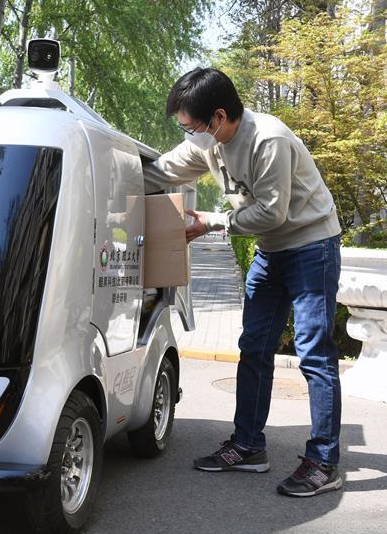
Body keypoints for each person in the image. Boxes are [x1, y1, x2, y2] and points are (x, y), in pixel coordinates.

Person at [143, 67, 343, 497]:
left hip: (312, 246)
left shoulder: (267, 139)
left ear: (218, 116)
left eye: (192, 127)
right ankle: (249, 445)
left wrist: (211, 222)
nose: (189, 136)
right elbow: (162, 171)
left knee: (314, 355)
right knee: (253, 348)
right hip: (271, 251)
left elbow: (273, 213)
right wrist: (109, 181)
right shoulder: (210, 145)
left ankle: (324, 461)